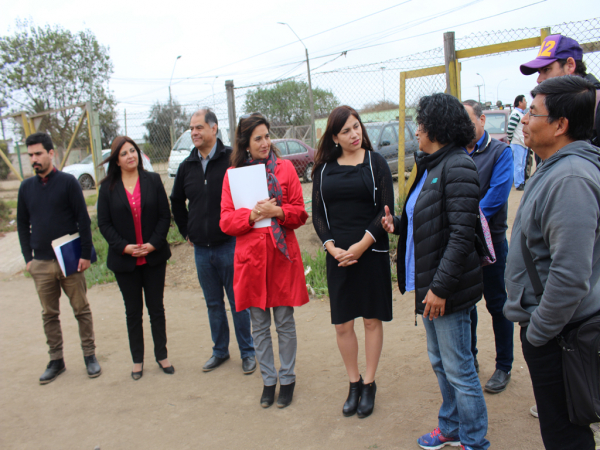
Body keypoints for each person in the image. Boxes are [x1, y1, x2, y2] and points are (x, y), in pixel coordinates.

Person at [382, 93, 489, 450]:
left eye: (422, 124)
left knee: (459, 367)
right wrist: (396, 225)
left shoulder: (458, 166)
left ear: (438, 128)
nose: (418, 131)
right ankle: (452, 426)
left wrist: (441, 289)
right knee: (441, 362)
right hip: (428, 284)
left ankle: (474, 440)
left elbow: (461, 236)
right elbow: (424, 221)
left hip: (447, 290)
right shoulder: (430, 165)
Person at [504, 76, 600, 450]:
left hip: (563, 335)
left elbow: (571, 275)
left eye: (533, 112)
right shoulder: (552, 166)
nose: (524, 120)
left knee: (566, 436)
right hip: (556, 331)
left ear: (560, 125)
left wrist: (539, 331)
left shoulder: (571, 178)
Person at [220, 113, 309, 409]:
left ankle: (288, 379)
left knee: (284, 321)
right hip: (251, 261)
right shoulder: (234, 175)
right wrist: (253, 215)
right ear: (245, 143)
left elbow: (300, 212)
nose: (265, 142)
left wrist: (278, 212)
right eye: (258, 138)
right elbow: (226, 221)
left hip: (281, 257)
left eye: (267, 136)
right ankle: (268, 380)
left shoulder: (285, 170)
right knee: (258, 324)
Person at [311, 105, 394, 419]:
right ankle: (354, 383)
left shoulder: (377, 163)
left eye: (356, 127)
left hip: (369, 251)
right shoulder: (323, 170)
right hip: (339, 257)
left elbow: (385, 210)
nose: (354, 134)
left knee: (371, 320)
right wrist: (331, 248)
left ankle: (370, 383)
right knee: (343, 324)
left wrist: (360, 246)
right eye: (345, 130)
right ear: (334, 137)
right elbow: (318, 215)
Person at [171, 109, 256, 375]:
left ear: (214, 129)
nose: (194, 133)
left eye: (198, 128)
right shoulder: (187, 166)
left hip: (230, 244)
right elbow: (175, 201)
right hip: (201, 250)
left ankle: (248, 352)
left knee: (238, 301)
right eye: (191, 129)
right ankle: (220, 351)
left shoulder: (232, 159)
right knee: (213, 303)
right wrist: (187, 231)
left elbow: (248, 196)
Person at [16, 132, 101, 384]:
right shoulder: (25, 188)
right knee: (49, 314)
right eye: (30, 155)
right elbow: (22, 224)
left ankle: (90, 356)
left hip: (70, 260)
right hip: (40, 263)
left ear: (51, 153)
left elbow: (83, 220)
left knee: (81, 310)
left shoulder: (68, 183)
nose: (34, 159)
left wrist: (85, 254)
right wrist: (28, 259)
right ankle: (56, 360)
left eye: (38, 154)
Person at [97, 136, 173, 380]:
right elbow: (104, 224)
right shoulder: (107, 187)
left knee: (156, 308)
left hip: (153, 258)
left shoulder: (152, 180)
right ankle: (137, 360)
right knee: (133, 312)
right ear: (117, 160)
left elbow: (164, 215)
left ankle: (162, 355)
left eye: (133, 151)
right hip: (125, 261)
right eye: (124, 153)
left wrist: (152, 244)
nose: (131, 156)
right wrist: (125, 248)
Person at [462, 99, 514, 394]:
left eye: (469, 121)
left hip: (491, 242)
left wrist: (462, 219)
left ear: (482, 120)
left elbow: (496, 196)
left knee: (498, 305)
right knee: (467, 303)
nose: (465, 127)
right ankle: (470, 358)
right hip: (464, 245)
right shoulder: (457, 151)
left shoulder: (500, 152)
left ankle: (504, 366)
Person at [520, 34, 600, 146]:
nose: (539, 79)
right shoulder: (549, 106)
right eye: (539, 72)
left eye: (546, 69)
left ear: (570, 65)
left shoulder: (596, 104)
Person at [507, 95, 528, 190]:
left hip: (522, 143)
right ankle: (518, 184)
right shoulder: (516, 114)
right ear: (520, 102)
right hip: (517, 142)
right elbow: (510, 129)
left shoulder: (521, 114)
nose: (526, 102)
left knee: (522, 165)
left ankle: (522, 182)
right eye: (525, 100)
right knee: (518, 165)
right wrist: (511, 139)